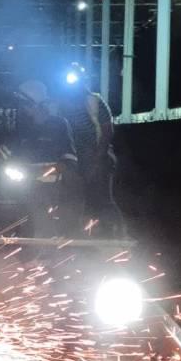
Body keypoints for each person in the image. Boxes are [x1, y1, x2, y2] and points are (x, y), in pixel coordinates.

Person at [58, 63, 125, 237]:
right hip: (76, 157)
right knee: (82, 199)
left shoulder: (93, 101)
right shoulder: (63, 104)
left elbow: (107, 129)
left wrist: (98, 157)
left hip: (96, 156)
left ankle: (119, 236)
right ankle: (88, 236)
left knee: (103, 198)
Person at [10, 80, 82, 236]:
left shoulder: (58, 124)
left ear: (35, 104)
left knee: (46, 222)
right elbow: (14, 154)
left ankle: (49, 256)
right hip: (27, 184)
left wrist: (51, 170)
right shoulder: (24, 127)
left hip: (53, 187)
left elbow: (69, 158)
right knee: (26, 222)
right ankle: (29, 256)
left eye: (25, 104)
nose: (22, 109)